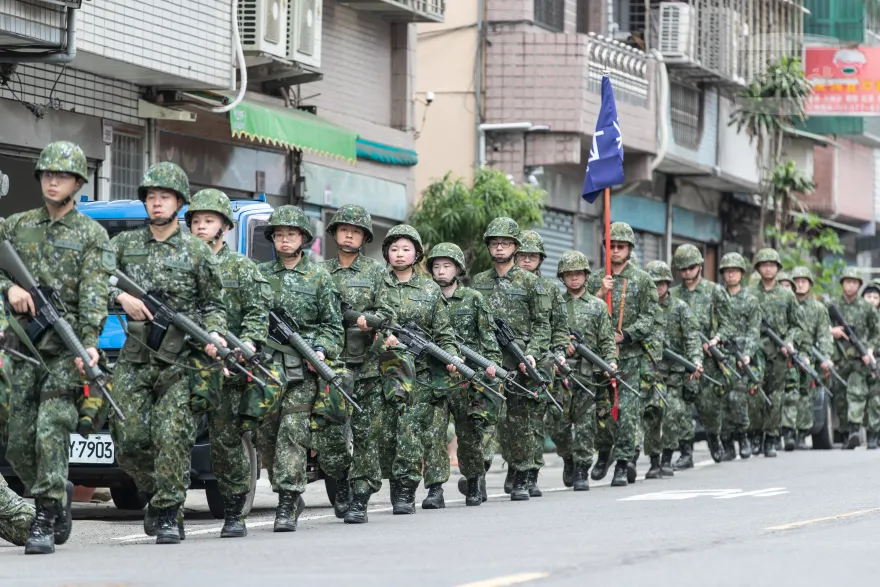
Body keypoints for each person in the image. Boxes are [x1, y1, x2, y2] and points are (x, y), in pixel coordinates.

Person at [109, 162, 227, 545]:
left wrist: (214, 333)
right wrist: (120, 296)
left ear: (179, 202)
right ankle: (159, 491)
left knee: (172, 436)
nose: (157, 204)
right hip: (134, 356)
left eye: (165, 197)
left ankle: (167, 511)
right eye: (151, 197)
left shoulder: (196, 251)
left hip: (181, 360)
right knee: (127, 440)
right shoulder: (124, 245)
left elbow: (215, 305)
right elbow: (94, 279)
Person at [0, 141, 108, 554]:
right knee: (19, 441)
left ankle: (44, 515)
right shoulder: (15, 226)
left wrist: (90, 346)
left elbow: (95, 297)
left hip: (66, 350)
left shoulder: (91, 235)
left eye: (61, 175)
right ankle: (55, 487)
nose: (53, 181)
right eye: (47, 174)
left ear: (78, 181)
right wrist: (9, 288)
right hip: (22, 346)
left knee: (51, 429)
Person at [185, 189, 277, 537]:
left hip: (227, 366)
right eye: (196, 221)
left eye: (209, 221)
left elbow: (257, 313)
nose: (201, 227)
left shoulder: (242, 267)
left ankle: (234, 509)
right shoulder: (182, 263)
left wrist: (246, 346)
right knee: (173, 436)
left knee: (225, 441)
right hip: (187, 365)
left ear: (224, 226)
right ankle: (166, 509)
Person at [257, 206, 344, 531]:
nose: (284, 240)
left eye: (290, 234)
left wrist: (319, 350)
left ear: (303, 238)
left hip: (303, 369)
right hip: (267, 367)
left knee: (293, 432)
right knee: (266, 435)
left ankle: (288, 500)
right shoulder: (260, 275)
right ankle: (284, 487)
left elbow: (333, 326)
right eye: (278, 234)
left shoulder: (319, 276)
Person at [369, 224, 458, 514]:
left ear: (416, 253)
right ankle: (394, 482)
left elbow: (444, 331)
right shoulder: (376, 283)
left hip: (420, 372)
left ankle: (406, 489)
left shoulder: (430, 289)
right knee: (385, 432)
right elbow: (364, 321)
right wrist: (382, 336)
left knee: (409, 429)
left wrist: (452, 358)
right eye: (394, 249)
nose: (399, 254)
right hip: (383, 368)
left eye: (406, 249)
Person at [321, 204, 396, 524]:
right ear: (335, 233)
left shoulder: (377, 272)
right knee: (331, 435)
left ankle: (360, 497)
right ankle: (340, 484)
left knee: (366, 434)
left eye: (355, 230)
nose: (349, 234)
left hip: (366, 365)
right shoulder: (320, 271)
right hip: (332, 365)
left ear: (364, 237)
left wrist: (374, 325)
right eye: (343, 229)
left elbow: (389, 315)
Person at [471, 217, 551, 500]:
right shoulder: (478, 282)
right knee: (483, 420)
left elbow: (543, 325)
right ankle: (477, 477)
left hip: (520, 361)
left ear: (515, 247)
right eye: (495, 243)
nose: (500, 248)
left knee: (519, 421)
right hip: (487, 362)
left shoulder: (532, 283)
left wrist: (531, 354)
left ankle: (520, 475)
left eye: (505, 243)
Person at [425, 242, 501, 507]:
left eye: (447, 266)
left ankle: (473, 482)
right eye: (436, 266)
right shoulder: (425, 297)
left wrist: (491, 368)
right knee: (433, 434)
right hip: (432, 377)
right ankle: (435, 489)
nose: (441, 271)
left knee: (469, 435)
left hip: (468, 378)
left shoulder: (473, 299)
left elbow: (488, 337)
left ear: (457, 268)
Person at [586, 222, 658, 487]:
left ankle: (624, 461)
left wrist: (625, 334)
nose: (615, 250)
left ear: (629, 249)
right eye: (611, 245)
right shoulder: (594, 278)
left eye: (621, 246)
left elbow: (650, 318)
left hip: (628, 355)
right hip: (598, 356)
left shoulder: (642, 280)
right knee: (600, 409)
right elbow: (579, 311)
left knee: (627, 411)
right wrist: (599, 293)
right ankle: (604, 451)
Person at [514, 231, 569, 496]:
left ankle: (530, 472)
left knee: (533, 419)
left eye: (532, 256)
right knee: (507, 420)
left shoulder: (549, 290)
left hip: (541, 361)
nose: (526, 261)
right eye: (522, 256)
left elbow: (559, 328)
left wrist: (558, 353)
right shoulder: (504, 285)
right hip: (507, 359)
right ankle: (515, 467)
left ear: (540, 260)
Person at [669, 244, 734, 465]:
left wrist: (716, 339)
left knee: (710, 407)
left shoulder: (715, 291)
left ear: (699, 267)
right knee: (682, 406)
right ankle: (686, 452)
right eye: (682, 269)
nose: (686, 272)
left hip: (708, 360)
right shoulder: (673, 294)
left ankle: (714, 438)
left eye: (690, 268)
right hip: (682, 359)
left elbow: (729, 324)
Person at [557, 250, 616, 489]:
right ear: (562, 277)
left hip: (590, 374)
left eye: (578, 274)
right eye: (569, 274)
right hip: (561, 374)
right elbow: (550, 334)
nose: (574, 278)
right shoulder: (557, 304)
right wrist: (563, 345)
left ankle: (582, 469)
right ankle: (568, 457)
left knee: (585, 423)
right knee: (557, 424)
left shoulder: (598, 306)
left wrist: (610, 360)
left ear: (586, 276)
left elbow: (606, 339)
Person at [646, 260, 702, 476]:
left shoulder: (680, 308)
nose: (658, 287)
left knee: (673, 413)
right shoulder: (644, 309)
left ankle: (667, 458)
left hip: (676, 374)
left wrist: (696, 360)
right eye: (654, 283)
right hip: (650, 372)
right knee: (651, 414)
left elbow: (692, 338)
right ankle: (653, 461)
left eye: (662, 283)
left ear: (668, 283)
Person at [750, 248, 805, 457]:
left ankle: (772, 438)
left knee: (775, 396)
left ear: (778, 268)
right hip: (755, 351)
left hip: (779, 353)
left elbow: (797, 325)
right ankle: (755, 435)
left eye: (772, 265)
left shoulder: (787, 295)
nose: (768, 268)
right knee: (754, 394)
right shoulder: (750, 294)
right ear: (758, 268)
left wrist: (789, 342)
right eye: (764, 265)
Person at [828, 267, 880, 449]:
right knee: (841, 398)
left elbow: (876, 332)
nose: (850, 286)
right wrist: (831, 331)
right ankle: (844, 433)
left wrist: (871, 349)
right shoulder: (832, 306)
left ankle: (855, 430)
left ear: (859, 285)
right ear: (842, 283)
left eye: (854, 282)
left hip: (860, 359)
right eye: (847, 282)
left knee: (857, 394)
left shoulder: (867, 308)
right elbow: (819, 328)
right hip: (839, 359)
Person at [718, 253, 761, 459]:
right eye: (727, 270)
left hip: (742, 356)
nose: (731, 273)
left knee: (739, 398)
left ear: (742, 274)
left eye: (735, 270)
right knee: (722, 399)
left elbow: (754, 330)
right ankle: (727, 443)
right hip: (720, 355)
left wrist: (748, 354)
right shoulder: (717, 297)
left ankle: (743, 436)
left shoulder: (751, 300)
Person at [790, 266, 834, 450]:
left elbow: (824, 335)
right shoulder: (787, 303)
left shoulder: (818, 309)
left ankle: (801, 432)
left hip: (810, 359)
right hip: (786, 355)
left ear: (809, 284)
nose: (800, 284)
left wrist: (825, 357)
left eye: (803, 281)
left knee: (805, 395)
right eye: (796, 281)